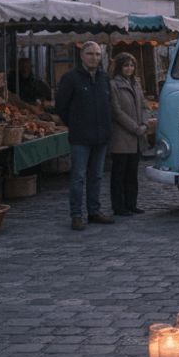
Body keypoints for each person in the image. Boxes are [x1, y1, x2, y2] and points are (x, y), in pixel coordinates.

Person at [56, 42, 114, 230]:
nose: (94, 58)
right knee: (78, 178)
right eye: (90, 54)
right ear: (82, 55)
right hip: (80, 137)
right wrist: (76, 124)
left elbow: (109, 103)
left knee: (96, 176)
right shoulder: (70, 78)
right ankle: (76, 215)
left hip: (101, 136)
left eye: (97, 54)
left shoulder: (104, 78)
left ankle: (94, 211)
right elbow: (61, 107)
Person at [109, 53, 151, 217]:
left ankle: (132, 204)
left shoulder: (136, 83)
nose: (129, 68)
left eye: (131, 65)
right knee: (119, 174)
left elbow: (144, 106)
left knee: (132, 173)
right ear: (120, 67)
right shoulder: (113, 85)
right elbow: (116, 111)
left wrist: (145, 124)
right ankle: (119, 207)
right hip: (122, 137)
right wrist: (135, 128)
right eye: (126, 65)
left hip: (138, 137)